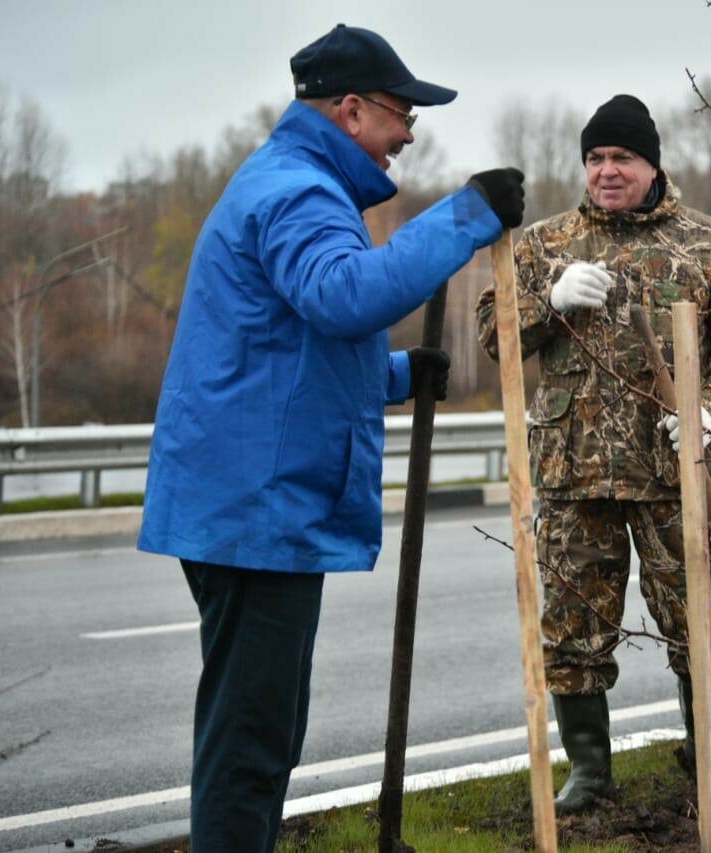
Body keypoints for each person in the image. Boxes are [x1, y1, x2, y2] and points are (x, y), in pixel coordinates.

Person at [137, 24, 524, 851]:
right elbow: (345, 296)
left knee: (258, 732)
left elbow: (286, 352)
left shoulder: (292, 182)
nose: (410, 132)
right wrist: (466, 217)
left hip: (251, 504)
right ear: (350, 111)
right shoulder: (298, 192)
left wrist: (394, 377)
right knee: (250, 743)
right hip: (254, 515)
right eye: (401, 112)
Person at [474, 94, 711, 814]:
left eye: (623, 158)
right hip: (573, 470)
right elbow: (494, 335)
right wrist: (548, 299)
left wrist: (708, 410)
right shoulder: (545, 244)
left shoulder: (706, 244)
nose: (607, 171)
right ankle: (589, 768)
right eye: (596, 158)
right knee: (574, 622)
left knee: (702, 618)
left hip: (673, 471)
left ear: (652, 164)